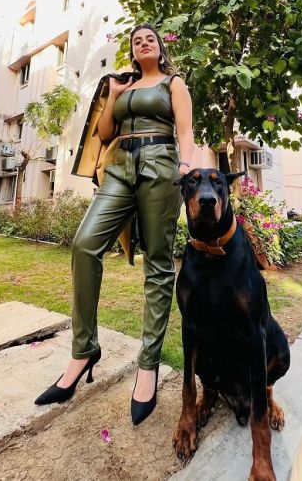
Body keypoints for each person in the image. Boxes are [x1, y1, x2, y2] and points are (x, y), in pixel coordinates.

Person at [35, 23, 194, 426]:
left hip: (161, 165)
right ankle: (84, 350)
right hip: (120, 166)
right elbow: (104, 133)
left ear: (159, 48)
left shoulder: (174, 84)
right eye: (137, 40)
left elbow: (186, 131)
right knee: (84, 245)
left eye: (150, 39)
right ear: (132, 49)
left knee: (158, 263)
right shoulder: (120, 85)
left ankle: (148, 363)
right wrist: (114, 99)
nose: (143, 43)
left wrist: (187, 168)